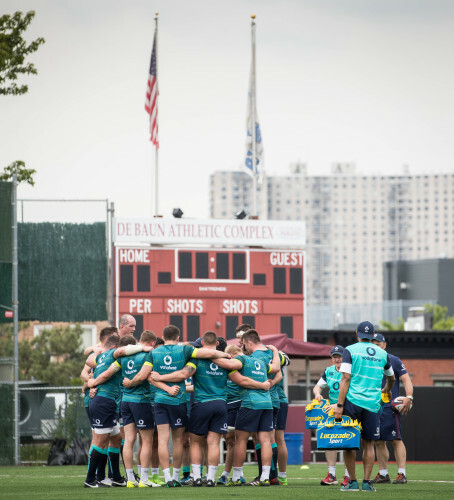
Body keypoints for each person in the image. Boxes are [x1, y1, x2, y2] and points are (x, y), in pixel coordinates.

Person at [122, 325, 231, 488]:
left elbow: (146, 376)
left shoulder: (153, 353)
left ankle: (167, 478)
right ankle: (178, 476)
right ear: (178, 337)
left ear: (164, 338)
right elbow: (208, 354)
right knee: (179, 440)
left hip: (159, 400)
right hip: (179, 400)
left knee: (163, 441)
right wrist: (225, 354)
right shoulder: (185, 351)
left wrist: (131, 382)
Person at [334, 321, 395, 492]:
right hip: (372, 405)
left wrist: (339, 404)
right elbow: (392, 378)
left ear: (357, 333)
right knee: (369, 444)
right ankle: (367, 483)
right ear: (373, 335)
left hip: (352, 402)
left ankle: (352, 482)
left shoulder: (350, 350)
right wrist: (387, 390)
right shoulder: (383, 354)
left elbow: (345, 378)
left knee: (349, 443)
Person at [223, 329, 281, 487]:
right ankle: (265, 477)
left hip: (250, 404)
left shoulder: (242, 360)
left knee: (241, 440)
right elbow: (276, 368)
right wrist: (275, 350)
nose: (242, 346)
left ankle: (235, 477)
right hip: (267, 404)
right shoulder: (262, 362)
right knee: (266, 441)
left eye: (243, 343)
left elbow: (240, 378)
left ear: (248, 342)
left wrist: (215, 356)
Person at [370, 333, 413, 485]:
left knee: (396, 439)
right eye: (373, 343)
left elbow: (406, 379)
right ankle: (383, 474)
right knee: (379, 441)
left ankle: (402, 473)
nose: (376, 345)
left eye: (379, 343)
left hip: (390, 406)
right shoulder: (368, 361)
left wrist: (409, 396)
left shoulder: (393, 359)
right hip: (373, 406)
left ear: (384, 345)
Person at [313, 345, 350, 487]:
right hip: (331, 410)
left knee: (348, 442)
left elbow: (352, 393)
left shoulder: (350, 370)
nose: (337, 359)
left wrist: (339, 405)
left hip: (348, 408)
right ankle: (332, 475)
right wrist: (317, 394)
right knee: (330, 441)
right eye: (334, 356)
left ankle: (348, 476)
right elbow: (317, 386)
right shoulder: (328, 371)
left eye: (339, 356)